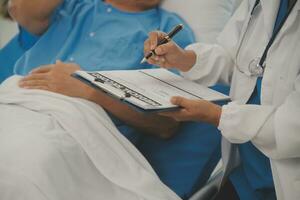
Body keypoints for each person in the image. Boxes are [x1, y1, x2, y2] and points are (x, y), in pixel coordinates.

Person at [2, 0, 221, 198]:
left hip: (77, 130)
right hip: (15, 103)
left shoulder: (168, 32)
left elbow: (165, 125)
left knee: (22, 165)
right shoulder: (72, 6)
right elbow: (17, 8)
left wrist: (89, 89)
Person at [144, 0, 300, 199]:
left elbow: (293, 126)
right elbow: (237, 57)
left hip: (285, 182)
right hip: (244, 174)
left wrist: (217, 116)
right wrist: (183, 58)